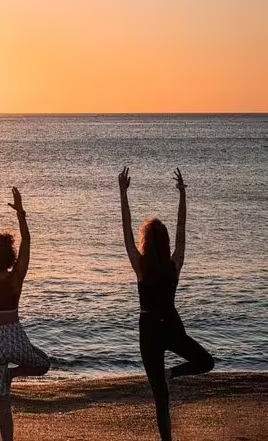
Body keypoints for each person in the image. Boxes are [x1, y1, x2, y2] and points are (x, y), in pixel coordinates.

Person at [119, 166, 214, 441]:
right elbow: (182, 227)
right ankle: (172, 374)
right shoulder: (174, 265)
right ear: (165, 242)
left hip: (149, 329)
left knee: (160, 397)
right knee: (205, 362)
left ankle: (167, 437)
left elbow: (126, 230)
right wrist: (183, 194)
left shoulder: (141, 266)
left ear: (146, 241)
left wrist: (123, 193)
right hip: (171, 324)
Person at [0, 187, 51, 441]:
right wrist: (21, 213)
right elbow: (27, 241)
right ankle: (13, 374)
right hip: (14, 335)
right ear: (12, 256)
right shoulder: (17, 277)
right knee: (43, 363)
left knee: (2, 401)